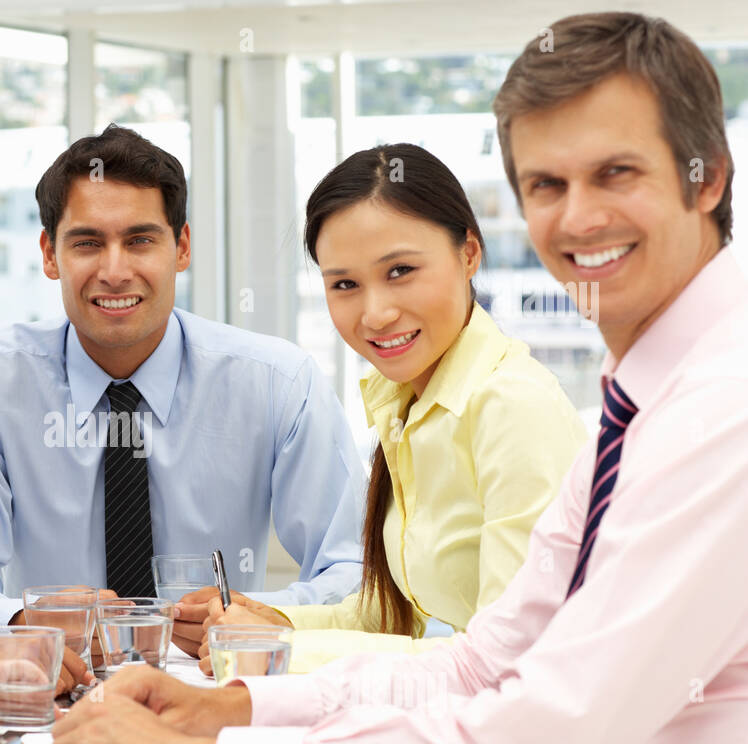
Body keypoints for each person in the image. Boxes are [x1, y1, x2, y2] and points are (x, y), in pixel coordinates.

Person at [49, 12, 747, 744]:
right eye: (545, 186)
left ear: (706, 176)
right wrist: (239, 710)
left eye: (615, 173)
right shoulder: (634, 405)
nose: (578, 218)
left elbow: (539, 733)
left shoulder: (721, 410)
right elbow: (475, 665)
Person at [0, 124, 366, 635]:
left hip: (217, 680)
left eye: (139, 241)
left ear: (181, 248)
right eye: (88, 243)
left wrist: (268, 615)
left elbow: (352, 569)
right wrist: (23, 620)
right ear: (49, 255)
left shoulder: (278, 384)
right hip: (51, 683)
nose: (114, 271)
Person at [190, 145, 587, 675]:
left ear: (469, 253)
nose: (375, 314)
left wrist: (278, 652)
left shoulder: (510, 405)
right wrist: (268, 619)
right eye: (345, 285)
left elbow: (508, 657)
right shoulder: (407, 404)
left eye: (400, 270)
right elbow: (389, 616)